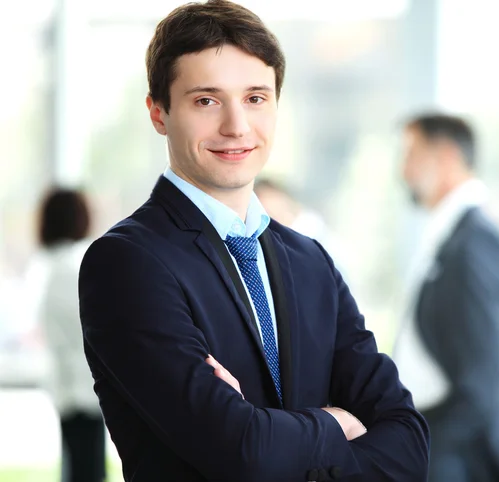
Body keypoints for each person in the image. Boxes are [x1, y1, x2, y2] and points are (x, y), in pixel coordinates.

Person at [78, 2, 429, 481]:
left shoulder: (309, 261)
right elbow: (241, 449)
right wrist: (336, 423)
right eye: (207, 100)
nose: (236, 126)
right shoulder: (127, 263)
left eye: (256, 98)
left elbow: (409, 440)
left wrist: (271, 436)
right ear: (158, 112)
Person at [392, 113, 499, 482]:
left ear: (446, 156)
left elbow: (482, 385)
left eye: (411, 154)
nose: (404, 171)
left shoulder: (477, 242)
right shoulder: (449, 235)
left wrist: (421, 446)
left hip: (455, 465)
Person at [33, 188, 105, 482]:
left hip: (80, 393)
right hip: (79, 394)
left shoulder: (66, 268)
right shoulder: (70, 265)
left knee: (83, 471)